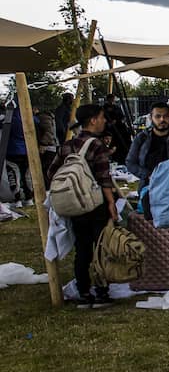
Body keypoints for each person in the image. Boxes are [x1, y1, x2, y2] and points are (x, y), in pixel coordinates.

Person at [49, 102, 119, 307]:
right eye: (102, 117)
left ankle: (83, 290)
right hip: (95, 204)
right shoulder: (97, 145)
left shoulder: (68, 145)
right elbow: (104, 178)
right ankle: (101, 291)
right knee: (101, 247)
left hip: (75, 205)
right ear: (93, 120)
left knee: (82, 248)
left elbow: (52, 172)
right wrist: (111, 203)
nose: (104, 121)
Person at [125, 102, 169, 185]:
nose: (162, 119)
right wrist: (148, 175)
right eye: (158, 116)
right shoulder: (142, 138)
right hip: (149, 186)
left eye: (165, 116)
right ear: (151, 118)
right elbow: (130, 162)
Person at [102, 94, 134, 165]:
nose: (112, 101)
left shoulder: (117, 107)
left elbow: (122, 117)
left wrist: (117, 121)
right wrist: (108, 123)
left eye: (113, 99)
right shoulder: (104, 108)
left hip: (120, 129)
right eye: (111, 99)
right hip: (110, 130)